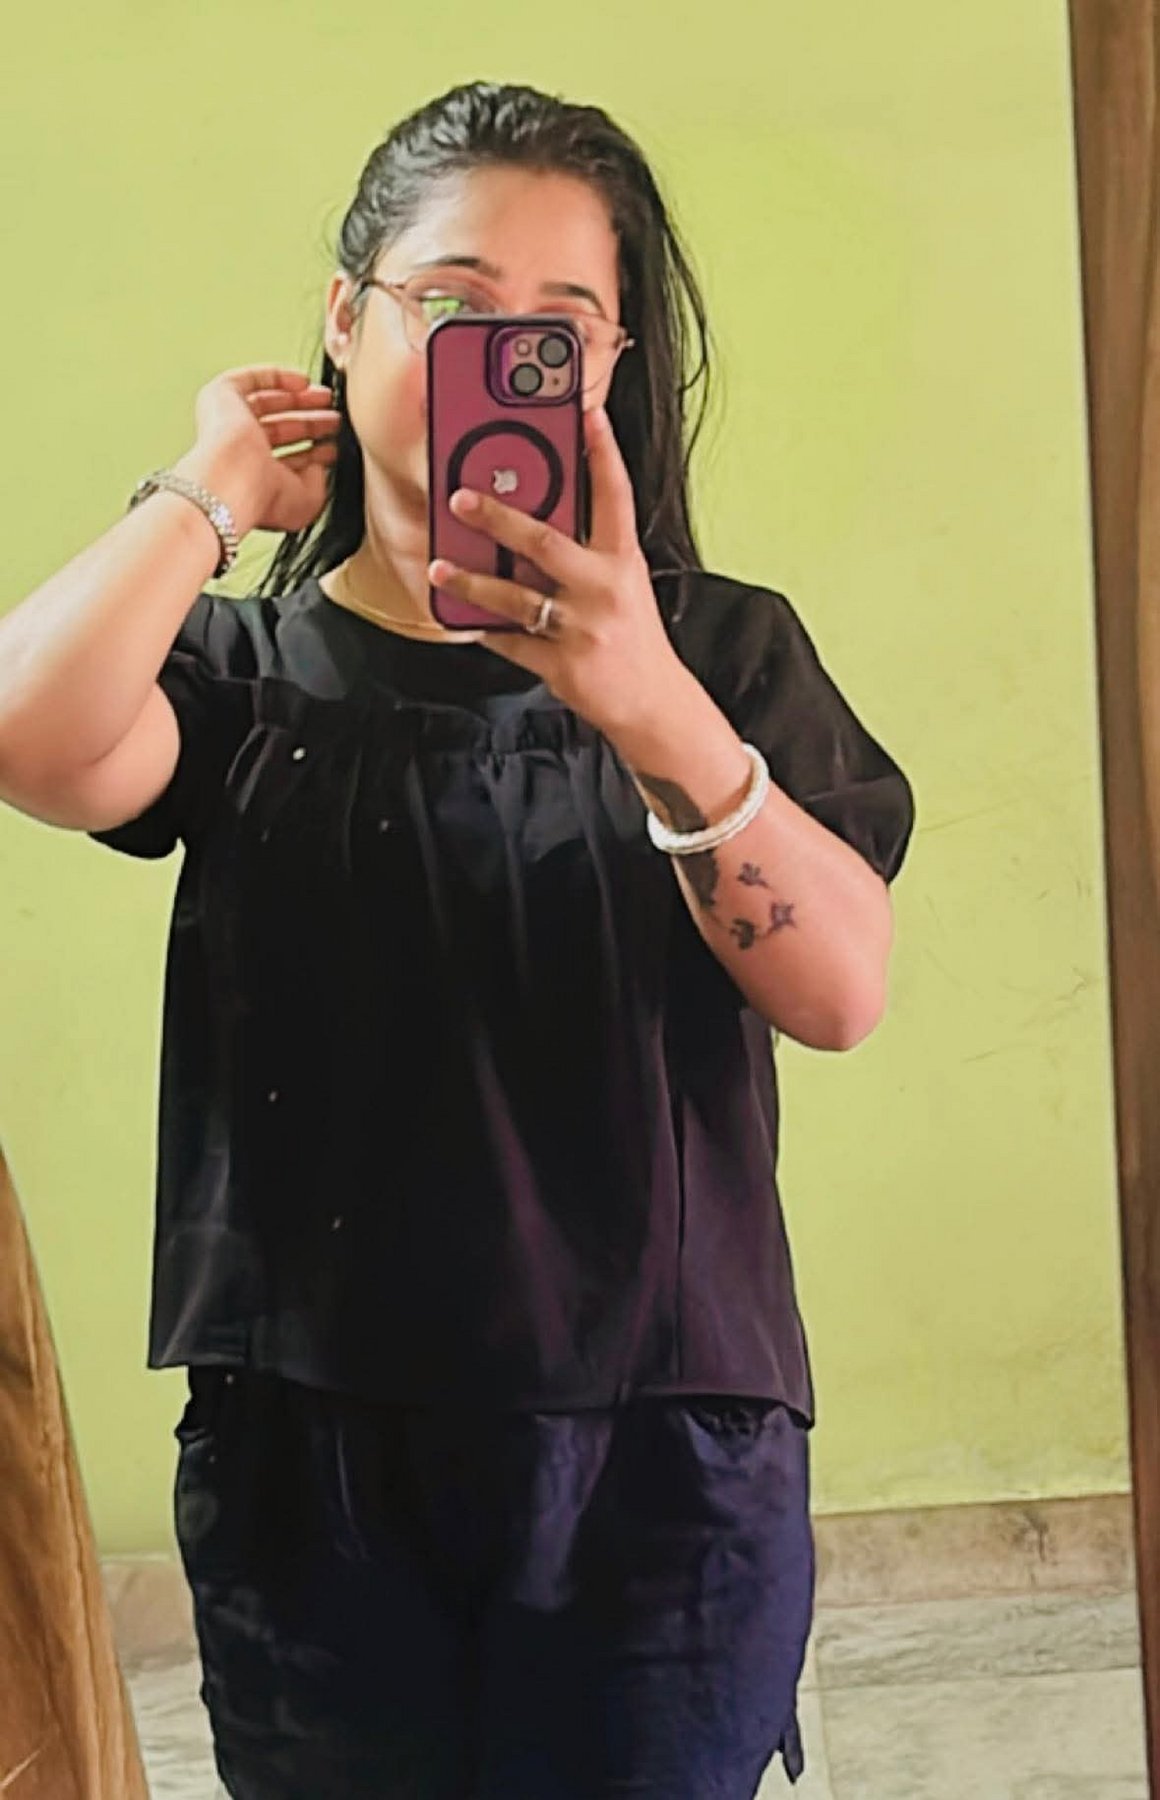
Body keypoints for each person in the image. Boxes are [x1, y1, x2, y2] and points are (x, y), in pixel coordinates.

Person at [0, 81, 914, 1800]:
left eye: (560, 326)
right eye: (453, 302)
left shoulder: (720, 655)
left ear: (610, 369)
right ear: (346, 319)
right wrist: (207, 489)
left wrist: (647, 699)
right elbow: (29, 736)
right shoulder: (237, 674)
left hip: (663, 1464)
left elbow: (843, 990)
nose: (504, 355)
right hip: (310, 1463)